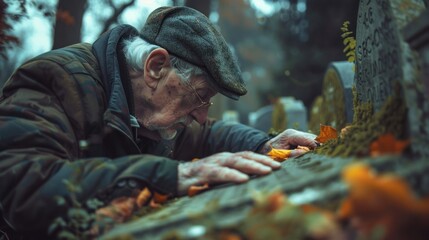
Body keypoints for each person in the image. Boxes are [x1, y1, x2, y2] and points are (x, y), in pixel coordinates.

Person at [0, 6, 318, 239]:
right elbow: (21, 184)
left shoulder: (146, 105)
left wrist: (262, 144)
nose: (201, 114)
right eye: (200, 95)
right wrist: (168, 175)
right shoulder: (54, 80)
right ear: (156, 67)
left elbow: (207, 134)